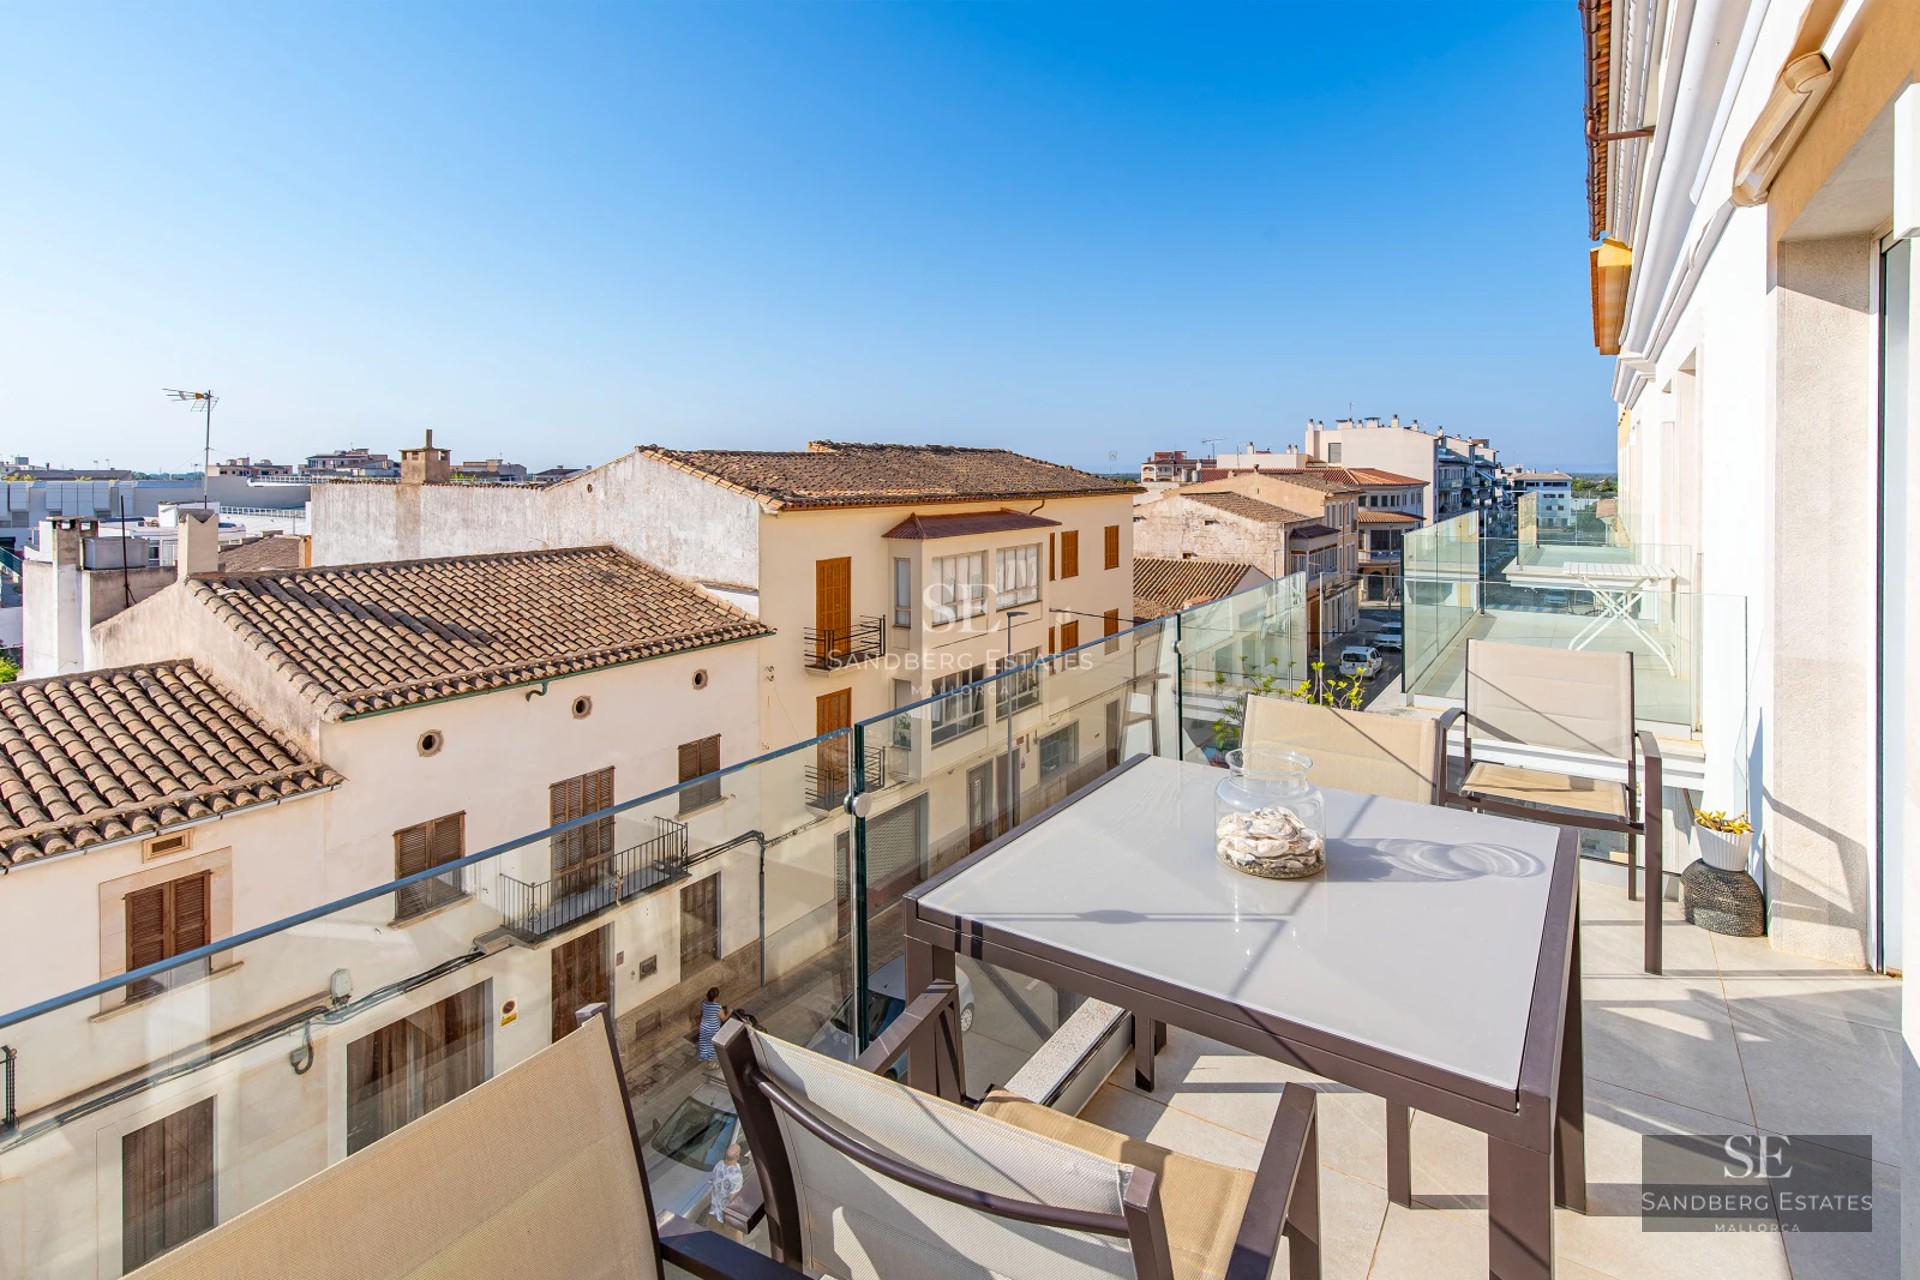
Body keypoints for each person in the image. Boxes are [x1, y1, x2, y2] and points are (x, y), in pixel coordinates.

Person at [706, 1143, 745, 1240]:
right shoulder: (736, 1175)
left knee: (713, 1234)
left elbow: (711, 1181)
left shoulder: (719, 1165)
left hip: (715, 1209)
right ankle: (742, 1250)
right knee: (737, 1231)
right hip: (726, 1212)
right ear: (737, 1156)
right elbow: (733, 1199)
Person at [696, 987, 728, 1062]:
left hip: (704, 1027)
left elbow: (703, 1013)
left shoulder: (704, 1003)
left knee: (706, 1045)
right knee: (713, 1046)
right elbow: (723, 1018)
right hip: (713, 1029)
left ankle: (709, 1061)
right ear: (716, 996)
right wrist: (730, 1011)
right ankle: (711, 1063)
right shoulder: (717, 1007)